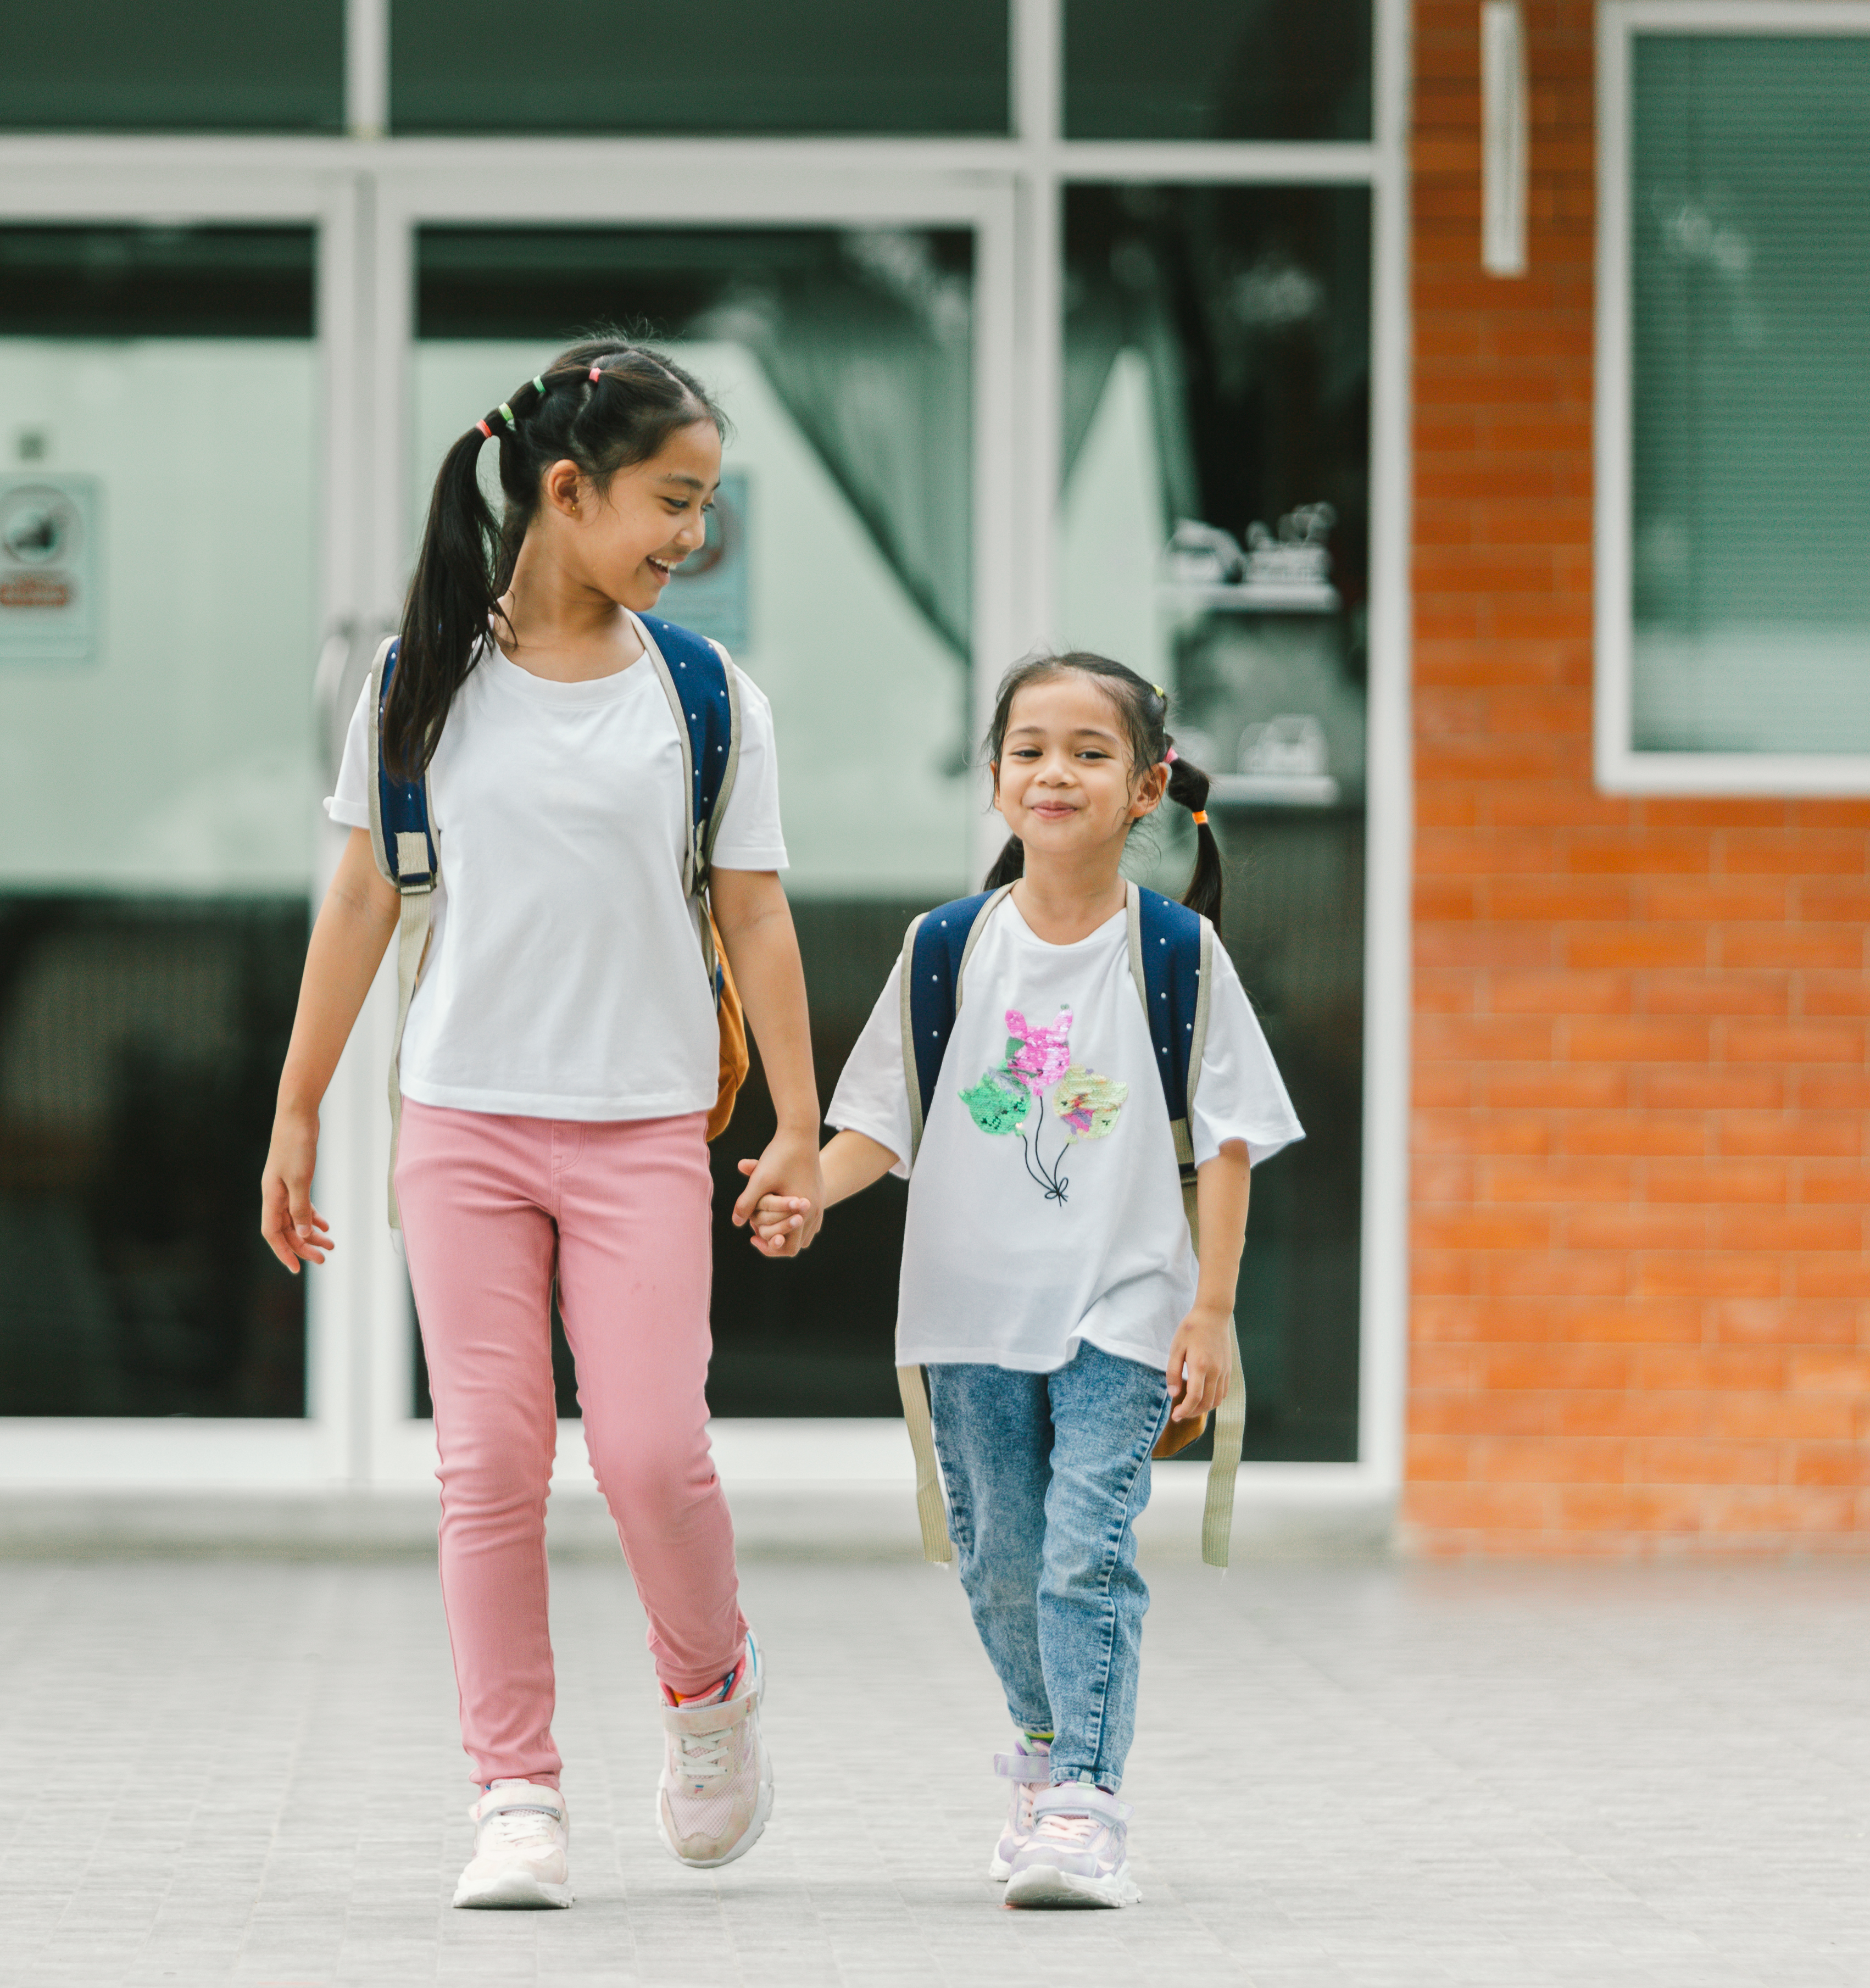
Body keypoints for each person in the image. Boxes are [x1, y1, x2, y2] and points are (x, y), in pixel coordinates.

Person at [258, 340, 826, 1910]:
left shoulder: (702, 696)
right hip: (463, 1129)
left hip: (643, 1127)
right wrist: (296, 1109)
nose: (691, 535)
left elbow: (756, 913)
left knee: (648, 1453)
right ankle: (513, 1793)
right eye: (672, 501)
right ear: (566, 492)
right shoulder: (420, 683)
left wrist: (796, 1119)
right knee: (491, 1465)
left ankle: (709, 1691)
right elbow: (361, 898)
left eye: (703, 505)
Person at [749, 651, 1301, 1908]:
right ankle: (1045, 1753)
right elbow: (878, 1123)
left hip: (1125, 1305)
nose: (1056, 773)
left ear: (1147, 788)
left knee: (1083, 1550)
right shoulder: (946, 948)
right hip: (969, 1312)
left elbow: (1228, 1143)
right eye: (1030, 750)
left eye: (1090, 753)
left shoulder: (1178, 953)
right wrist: (807, 1192)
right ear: (995, 778)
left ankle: (1087, 1803)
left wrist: (1211, 1313)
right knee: (1000, 1555)